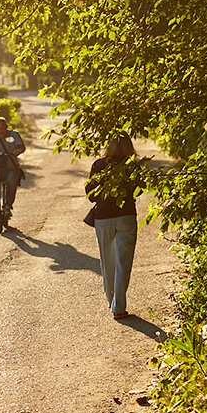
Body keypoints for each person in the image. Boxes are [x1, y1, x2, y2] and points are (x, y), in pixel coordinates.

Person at [86, 134, 143, 320]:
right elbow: (139, 189)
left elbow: (90, 193)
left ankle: (111, 300)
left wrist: (103, 199)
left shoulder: (98, 165)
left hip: (103, 218)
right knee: (123, 262)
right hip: (126, 215)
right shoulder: (131, 165)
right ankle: (119, 306)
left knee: (107, 260)